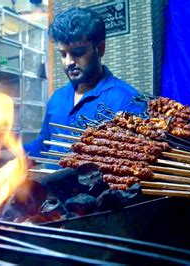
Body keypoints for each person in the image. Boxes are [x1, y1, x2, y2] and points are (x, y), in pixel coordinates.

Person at [23, 7, 146, 164]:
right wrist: (3, 154)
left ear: (100, 49)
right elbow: (43, 145)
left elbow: (134, 164)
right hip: (49, 188)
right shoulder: (58, 98)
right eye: (63, 54)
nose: (68, 62)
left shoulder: (127, 100)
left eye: (78, 53)